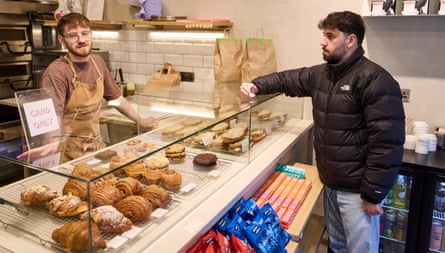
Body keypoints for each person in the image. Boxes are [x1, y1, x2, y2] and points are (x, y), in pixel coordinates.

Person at [241, 11, 405, 253]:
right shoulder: (322, 75)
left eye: (330, 36)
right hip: (329, 184)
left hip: (358, 193)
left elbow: (387, 143)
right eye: (323, 35)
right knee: (337, 247)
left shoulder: (375, 79)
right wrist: (258, 84)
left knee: (361, 249)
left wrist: (374, 193)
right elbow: (288, 79)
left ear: (351, 40)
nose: (322, 41)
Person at [17, 12, 157, 162]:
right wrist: (52, 144)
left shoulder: (98, 63)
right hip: (68, 154)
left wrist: (139, 120)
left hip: (96, 148)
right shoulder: (56, 73)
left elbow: (116, 99)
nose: (81, 40)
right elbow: (53, 117)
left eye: (85, 33)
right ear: (62, 40)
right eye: (73, 35)